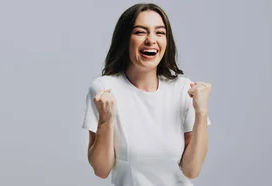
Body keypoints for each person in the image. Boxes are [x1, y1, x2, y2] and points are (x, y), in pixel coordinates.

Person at [81, 3, 212, 186]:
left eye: (160, 33)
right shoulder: (105, 89)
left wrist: (202, 112)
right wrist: (106, 119)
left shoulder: (183, 89)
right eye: (140, 32)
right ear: (125, 39)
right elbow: (101, 170)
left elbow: (192, 170)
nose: (151, 40)